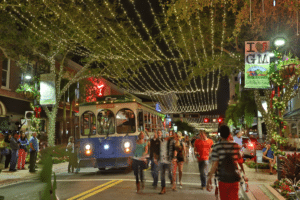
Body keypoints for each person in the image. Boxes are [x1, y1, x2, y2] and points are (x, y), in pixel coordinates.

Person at [207, 125, 248, 200]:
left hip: (223, 179)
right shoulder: (235, 146)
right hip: (234, 178)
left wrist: (209, 178)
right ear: (229, 134)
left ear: (220, 134)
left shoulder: (216, 147)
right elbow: (239, 157)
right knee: (234, 198)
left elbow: (215, 164)